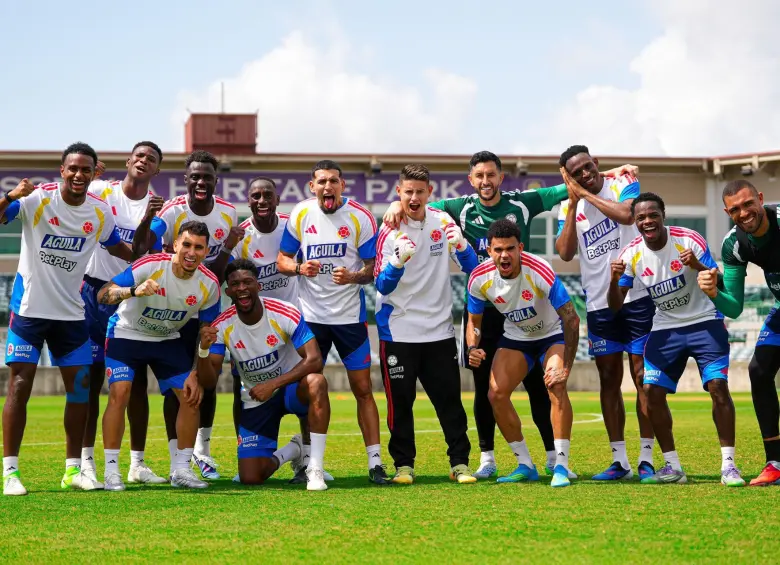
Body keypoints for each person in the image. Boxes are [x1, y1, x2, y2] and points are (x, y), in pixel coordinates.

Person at [384, 150, 635, 478]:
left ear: (501, 178)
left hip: (526, 306)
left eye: (491, 175)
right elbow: (418, 204)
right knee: (485, 387)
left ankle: (552, 456)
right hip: (483, 306)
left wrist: (614, 172)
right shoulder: (460, 208)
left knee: (538, 385)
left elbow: (570, 186)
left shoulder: (523, 202)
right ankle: (487, 458)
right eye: (479, 176)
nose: (486, 181)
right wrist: (393, 205)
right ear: (471, 180)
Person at [1, 142, 136, 496]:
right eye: (72, 168)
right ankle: (10, 473)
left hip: (71, 315)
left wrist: (151, 255)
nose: (78, 174)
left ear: (94, 174)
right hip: (29, 311)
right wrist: (8, 195)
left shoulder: (100, 212)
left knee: (79, 391)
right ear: (62, 170)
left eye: (85, 170)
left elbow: (119, 248)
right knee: (19, 386)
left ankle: (73, 469)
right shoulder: (37, 200)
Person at [608, 193, 743, 486]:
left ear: (663, 215)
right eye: (641, 217)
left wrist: (696, 263)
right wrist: (612, 279)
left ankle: (729, 466)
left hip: (704, 321)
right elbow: (616, 305)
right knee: (651, 393)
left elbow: (716, 281)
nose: (647, 221)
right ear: (635, 222)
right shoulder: (630, 255)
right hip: (666, 328)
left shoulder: (689, 239)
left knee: (718, 387)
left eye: (652, 215)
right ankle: (673, 467)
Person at [278, 159, 390, 484]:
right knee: (313, 389)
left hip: (348, 319)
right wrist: (300, 268)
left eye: (334, 181)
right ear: (312, 186)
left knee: (363, 389)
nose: (328, 187)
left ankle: (375, 463)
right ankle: (312, 466)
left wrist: (354, 276)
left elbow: (373, 268)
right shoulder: (300, 214)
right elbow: (282, 260)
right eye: (322, 181)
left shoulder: (360, 217)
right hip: (311, 319)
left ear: (342, 185)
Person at [133, 149, 241, 480]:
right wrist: (147, 221)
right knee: (176, 387)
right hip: (174, 311)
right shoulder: (172, 210)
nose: (201, 182)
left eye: (207, 177)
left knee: (208, 381)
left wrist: (224, 250)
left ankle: (202, 453)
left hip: (208, 307)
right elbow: (143, 247)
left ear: (215, 181)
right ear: (186, 179)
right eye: (195, 176)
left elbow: (221, 273)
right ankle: (175, 457)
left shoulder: (227, 214)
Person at [98, 220, 222, 490]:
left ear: (206, 251)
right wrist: (133, 291)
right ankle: (111, 471)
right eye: (186, 244)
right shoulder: (150, 265)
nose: (191, 252)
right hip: (126, 334)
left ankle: (181, 470)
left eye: (198, 248)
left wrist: (194, 370)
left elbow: (206, 332)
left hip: (167, 339)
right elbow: (103, 293)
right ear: (175, 244)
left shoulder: (209, 285)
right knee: (121, 392)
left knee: (191, 396)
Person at [557, 145, 656, 481]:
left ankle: (646, 458)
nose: (584, 174)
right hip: (599, 305)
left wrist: (585, 192)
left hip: (638, 296)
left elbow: (629, 214)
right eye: (576, 173)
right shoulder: (570, 205)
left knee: (643, 378)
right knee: (609, 381)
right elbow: (566, 252)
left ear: (596, 163)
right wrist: (572, 203)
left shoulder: (624, 182)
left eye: (587, 167)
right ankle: (620, 461)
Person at [375, 164, 478, 484]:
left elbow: (473, 271)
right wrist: (396, 262)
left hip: (438, 330)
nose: (414, 198)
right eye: (408, 192)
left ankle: (459, 463)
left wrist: (461, 246)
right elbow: (381, 285)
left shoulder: (442, 221)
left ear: (430, 193)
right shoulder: (389, 229)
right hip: (399, 330)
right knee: (400, 404)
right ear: (399, 192)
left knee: (450, 401)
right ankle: (404, 465)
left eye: (420, 191)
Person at [231, 177, 332, 484]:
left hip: (288, 324)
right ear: (249, 201)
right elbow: (232, 278)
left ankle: (307, 461)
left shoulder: (292, 227)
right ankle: (253, 448)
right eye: (255, 196)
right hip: (249, 327)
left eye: (267, 196)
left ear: (277, 201)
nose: (261, 200)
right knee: (242, 389)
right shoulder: (241, 236)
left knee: (308, 384)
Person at [197, 259, 331, 491]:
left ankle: (315, 468)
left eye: (247, 282)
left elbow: (315, 359)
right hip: (257, 399)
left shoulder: (284, 312)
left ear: (258, 286)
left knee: (316, 382)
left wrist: (273, 384)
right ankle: (294, 449)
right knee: (251, 477)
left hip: (291, 390)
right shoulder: (221, 326)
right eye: (235, 284)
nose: (241, 288)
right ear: (228, 291)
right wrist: (203, 350)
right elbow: (209, 381)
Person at [466, 219, 580, 487]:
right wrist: (473, 347)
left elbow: (572, 319)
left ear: (520, 248)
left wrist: (566, 367)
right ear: (490, 251)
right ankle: (525, 464)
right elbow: (474, 323)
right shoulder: (480, 278)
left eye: (509, 249)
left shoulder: (539, 270)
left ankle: (561, 466)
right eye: (497, 250)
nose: (504, 255)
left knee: (556, 385)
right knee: (495, 394)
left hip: (551, 334)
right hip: (517, 337)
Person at [80, 141, 167, 485]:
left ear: (157, 169)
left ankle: (137, 463)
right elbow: (72, 196)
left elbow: (142, 254)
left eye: (152, 159)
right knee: (90, 378)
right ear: (129, 161)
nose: (144, 161)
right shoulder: (103, 190)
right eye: (140, 155)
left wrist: (147, 218)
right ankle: (85, 462)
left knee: (136, 381)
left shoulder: (157, 206)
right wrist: (87, 180)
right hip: (92, 291)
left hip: (131, 295)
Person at [698, 179, 780, 486]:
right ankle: (775, 462)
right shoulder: (733, 244)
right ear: (727, 212)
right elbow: (733, 307)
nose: (744, 212)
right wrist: (713, 292)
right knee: (759, 372)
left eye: (748, 204)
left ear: (760, 199)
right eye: (735, 209)